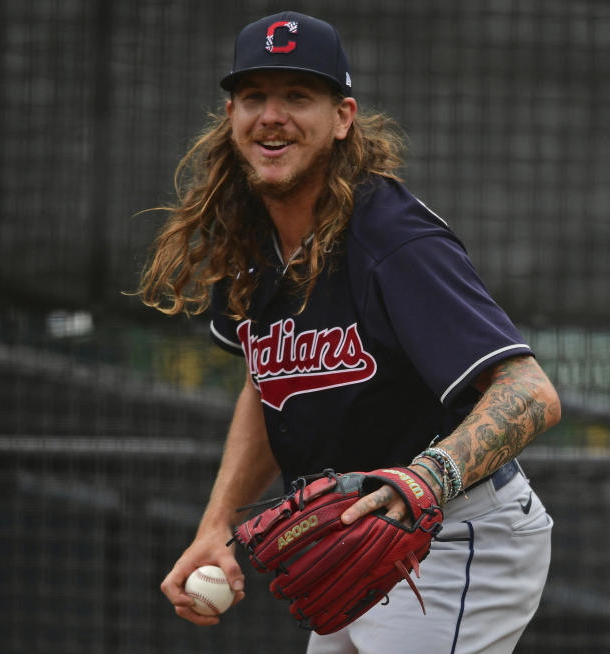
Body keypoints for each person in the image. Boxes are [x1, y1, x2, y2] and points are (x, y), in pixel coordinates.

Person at [142, 10, 561, 653]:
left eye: (298, 96)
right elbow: (271, 386)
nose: (272, 115)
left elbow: (530, 393)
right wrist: (215, 525)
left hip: (455, 536)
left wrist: (426, 478)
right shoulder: (251, 238)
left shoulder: (393, 239)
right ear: (230, 116)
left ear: (342, 118)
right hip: (356, 538)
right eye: (254, 96)